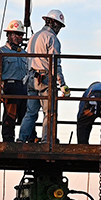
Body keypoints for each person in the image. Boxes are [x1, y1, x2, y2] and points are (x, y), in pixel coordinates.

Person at [18, 9, 70, 143]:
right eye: (58, 25)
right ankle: (47, 141)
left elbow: (27, 60)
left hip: (31, 78)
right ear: (52, 22)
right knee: (49, 113)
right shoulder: (52, 38)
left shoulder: (34, 37)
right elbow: (55, 63)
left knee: (30, 113)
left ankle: (21, 139)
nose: (59, 28)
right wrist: (62, 84)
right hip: (45, 79)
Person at [0, 20, 29, 142]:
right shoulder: (1, 52)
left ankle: (27, 138)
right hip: (9, 86)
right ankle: (8, 140)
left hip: (23, 87)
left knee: (25, 115)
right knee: (10, 115)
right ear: (9, 35)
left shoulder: (24, 54)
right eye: (17, 34)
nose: (20, 37)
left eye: (21, 35)